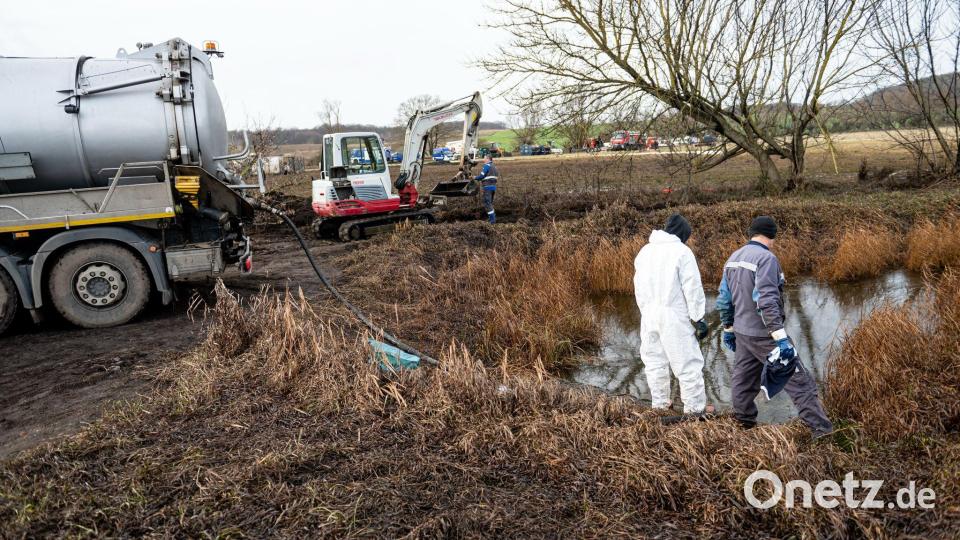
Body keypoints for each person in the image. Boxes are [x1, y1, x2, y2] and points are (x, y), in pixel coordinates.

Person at [716, 216, 834, 438]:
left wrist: (728, 328)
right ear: (772, 236)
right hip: (765, 335)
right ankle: (821, 429)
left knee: (743, 378)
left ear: (751, 233)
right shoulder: (766, 259)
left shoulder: (733, 258)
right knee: (799, 381)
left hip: (742, 333)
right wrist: (779, 337)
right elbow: (766, 300)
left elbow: (723, 299)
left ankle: (744, 422)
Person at [633, 214, 710, 414]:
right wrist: (698, 318)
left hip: (649, 314)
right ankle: (695, 409)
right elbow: (692, 288)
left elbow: (638, 286)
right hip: (673, 316)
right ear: (682, 234)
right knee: (687, 362)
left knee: (654, 361)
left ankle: (660, 405)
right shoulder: (682, 252)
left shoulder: (645, 251)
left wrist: (645, 310)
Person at [474, 154, 498, 224]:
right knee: (490, 203)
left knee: (488, 204)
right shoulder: (495, 167)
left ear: (488, 159)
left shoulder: (487, 166)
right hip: (493, 187)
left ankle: (492, 221)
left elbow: (481, 176)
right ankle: (492, 219)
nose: (483, 160)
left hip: (487, 187)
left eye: (484, 158)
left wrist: (474, 177)